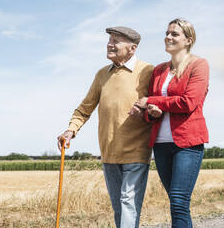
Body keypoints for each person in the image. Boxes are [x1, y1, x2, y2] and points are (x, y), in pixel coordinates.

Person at [57, 26, 154, 228]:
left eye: (116, 41)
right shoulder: (102, 74)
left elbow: (158, 104)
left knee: (128, 203)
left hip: (136, 152)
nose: (110, 44)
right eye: (109, 40)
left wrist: (147, 107)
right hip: (109, 152)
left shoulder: (147, 71)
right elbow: (85, 108)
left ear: (132, 48)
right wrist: (71, 129)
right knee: (119, 207)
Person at [131, 18, 209, 228]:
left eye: (174, 34)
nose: (168, 37)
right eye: (167, 33)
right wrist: (151, 112)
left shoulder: (198, 65)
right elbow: (151, 110)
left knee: (178, 201)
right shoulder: (159, 70)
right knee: (177, 203)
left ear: (188, 39)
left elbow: (188, 102)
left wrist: (152, 101)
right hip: (161, 144)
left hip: (188, 144)